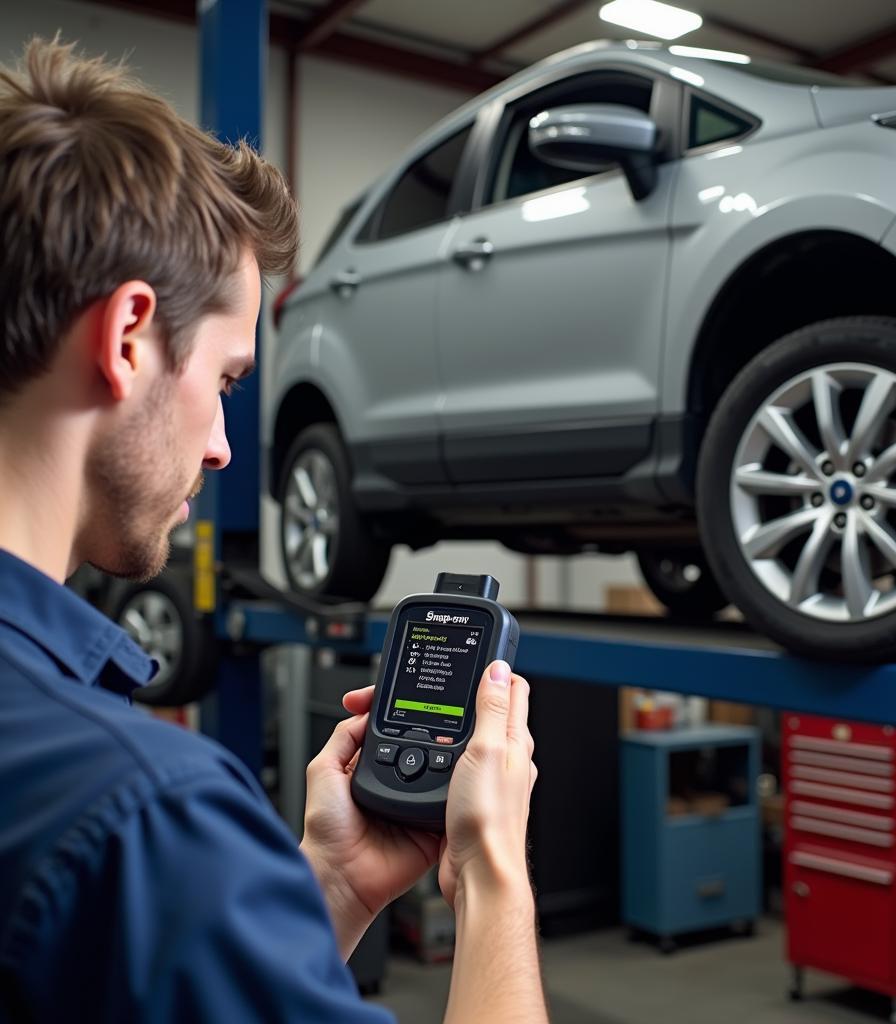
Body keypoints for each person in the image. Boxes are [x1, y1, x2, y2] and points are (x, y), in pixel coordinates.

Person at [0, 37, 547, 1023]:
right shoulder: (141, 814)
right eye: (225, 380)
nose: (220, 447)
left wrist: (331, 889)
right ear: (127, 336)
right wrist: (496, 875)